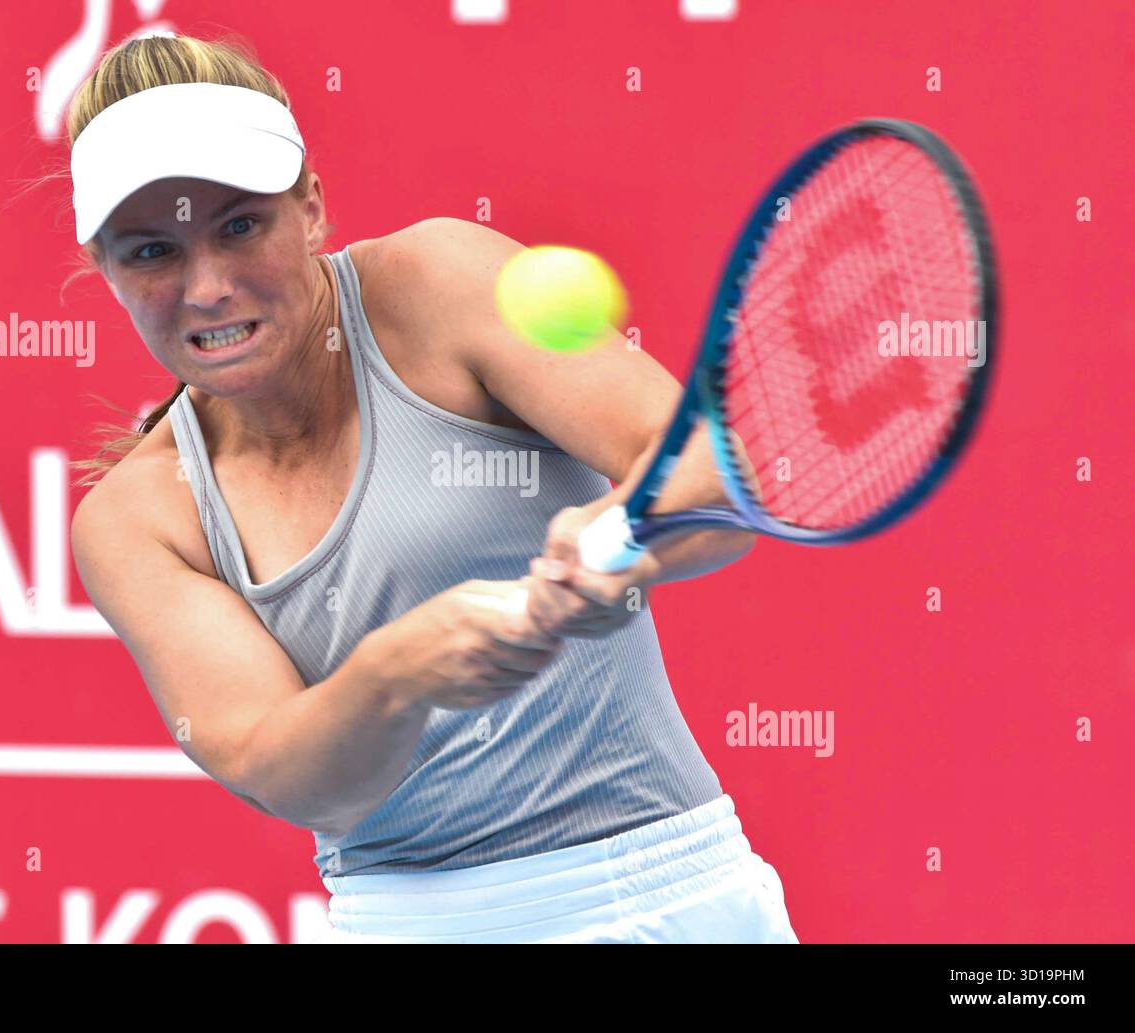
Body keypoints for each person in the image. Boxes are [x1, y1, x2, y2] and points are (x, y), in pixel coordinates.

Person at [65, 32, 798, 943]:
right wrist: (395, 673)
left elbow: (714, 473)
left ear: (312, 207)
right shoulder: (137, 521)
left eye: (240, 225)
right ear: (104, 271)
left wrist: (621, 544)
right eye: (150, 253)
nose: (207, 285)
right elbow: (280, 770)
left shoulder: (438, 282)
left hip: (668, 896)